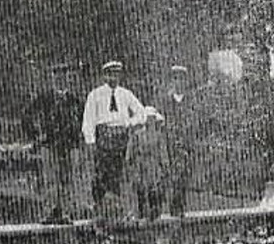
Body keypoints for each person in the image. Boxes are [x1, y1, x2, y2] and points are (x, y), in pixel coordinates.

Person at [81, 60, 146, 221]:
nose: (113, 78)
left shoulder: (126, 94)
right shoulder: (95, 94)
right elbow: (88, 120)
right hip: (103, 136)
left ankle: (118, 211)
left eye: (116, 74)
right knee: (101, 175)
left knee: (119, 175)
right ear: (104, 76)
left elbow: (141, 113)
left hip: (120, 137)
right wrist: (91, 141)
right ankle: (99, 211)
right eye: (110, 74)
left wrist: (129, 123)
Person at [23, 63, 82, 225]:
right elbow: (27, 115)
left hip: (68, 146)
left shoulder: (74, 100)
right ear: (52, 79)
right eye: (57, 77)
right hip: (49, 144)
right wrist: (36, 135)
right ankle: (50, 212)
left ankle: (64, 213)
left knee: (67, 180)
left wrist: (77, 139)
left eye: (64, 77)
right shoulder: (45, 98)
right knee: (50, 179)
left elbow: (84, 121)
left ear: (68, 79)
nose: (60, 80)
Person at [151, 64, 197, 218]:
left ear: (186, 82)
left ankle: (177, 208)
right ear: (171, 81)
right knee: (163, 176)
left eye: (182, 79)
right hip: (167, 144)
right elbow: (158, 121)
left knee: (182, 177)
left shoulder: (191, 101)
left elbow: (195, 122)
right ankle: (155, 209)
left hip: (184, 144)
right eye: (176, 79)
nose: (179, 83)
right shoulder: (164, 100)